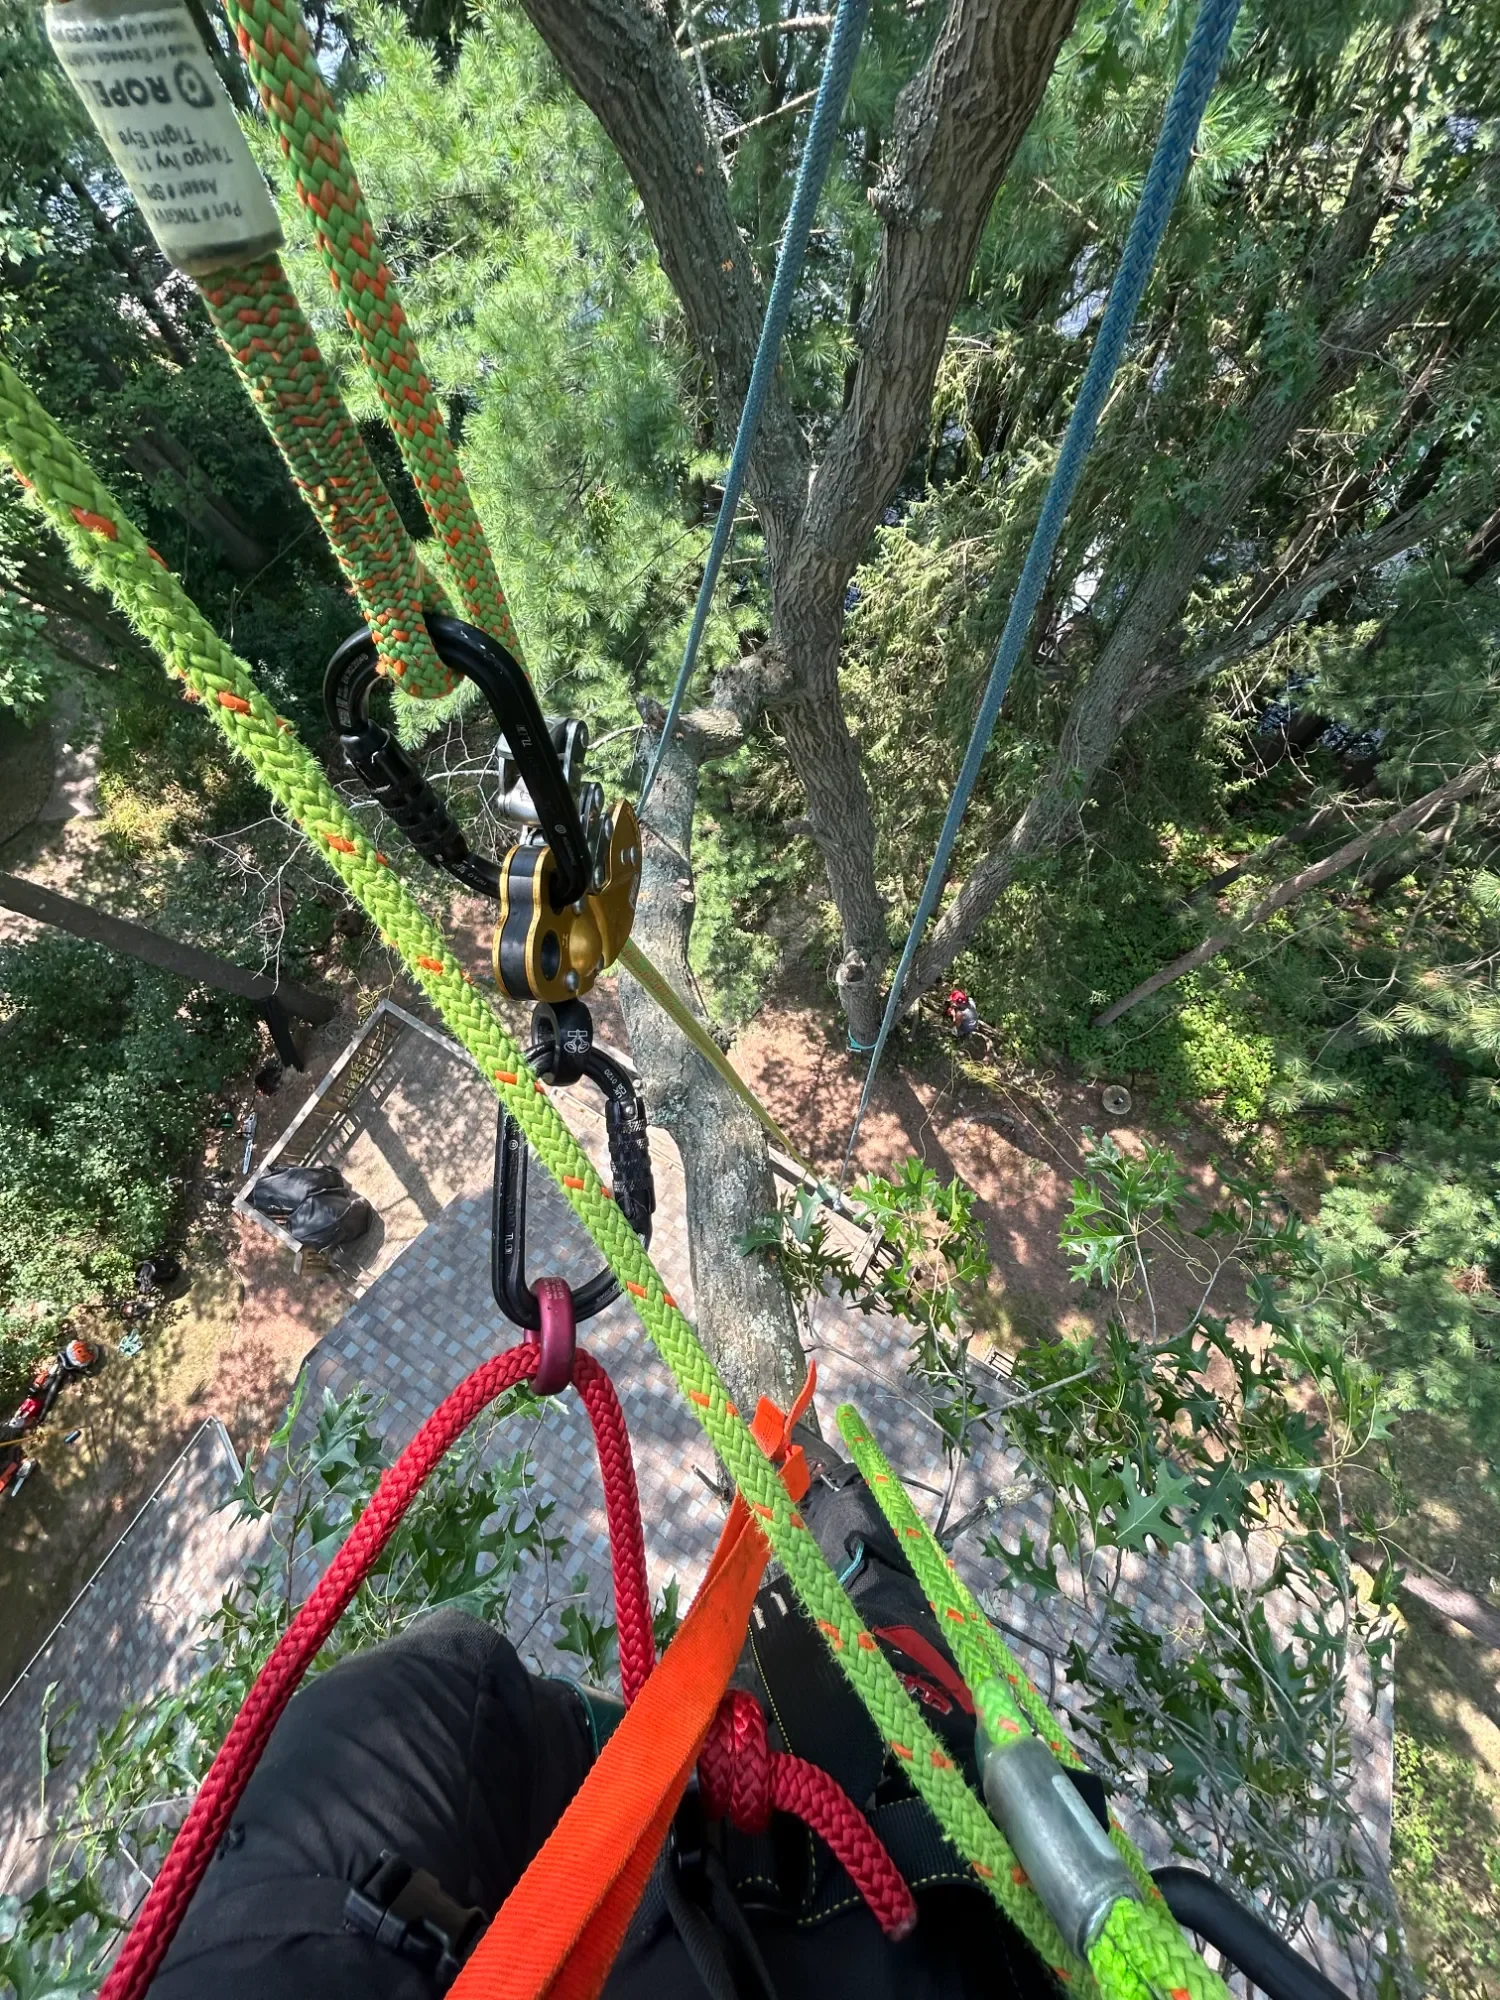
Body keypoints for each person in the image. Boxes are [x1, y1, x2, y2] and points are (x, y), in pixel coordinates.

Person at [147, 1427, 1066, 2000]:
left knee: (435, 1705)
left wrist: (647, 1780)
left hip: (305, 1917)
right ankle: (858, 1638)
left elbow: (448, 1707)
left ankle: (710, 1774)